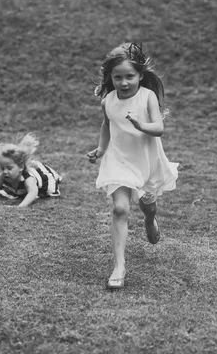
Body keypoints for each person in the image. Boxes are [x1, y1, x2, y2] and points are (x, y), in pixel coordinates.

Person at [88, 42, 178, 290]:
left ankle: (150, 220)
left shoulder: (147, 97)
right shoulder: (107, 100)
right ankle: (119, 266)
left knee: (147, 204)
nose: (124, 82)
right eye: (118, 77)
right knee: (120, 209)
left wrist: (141, 125)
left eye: (130, 76)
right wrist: (102, 149)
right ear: (110, 78)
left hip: (145, 160)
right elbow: (107, 125)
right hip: (118, 160)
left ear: (140, 75)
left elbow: (158, 129)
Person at [0, 133, 62, 208]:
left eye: (9, 168)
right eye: (2, 168)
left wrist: (20, 207)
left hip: (42, 177)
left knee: (42, 189)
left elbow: (32, 193)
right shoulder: (2, 176)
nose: (5, 171)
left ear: (20, 167)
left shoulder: (28, 179)